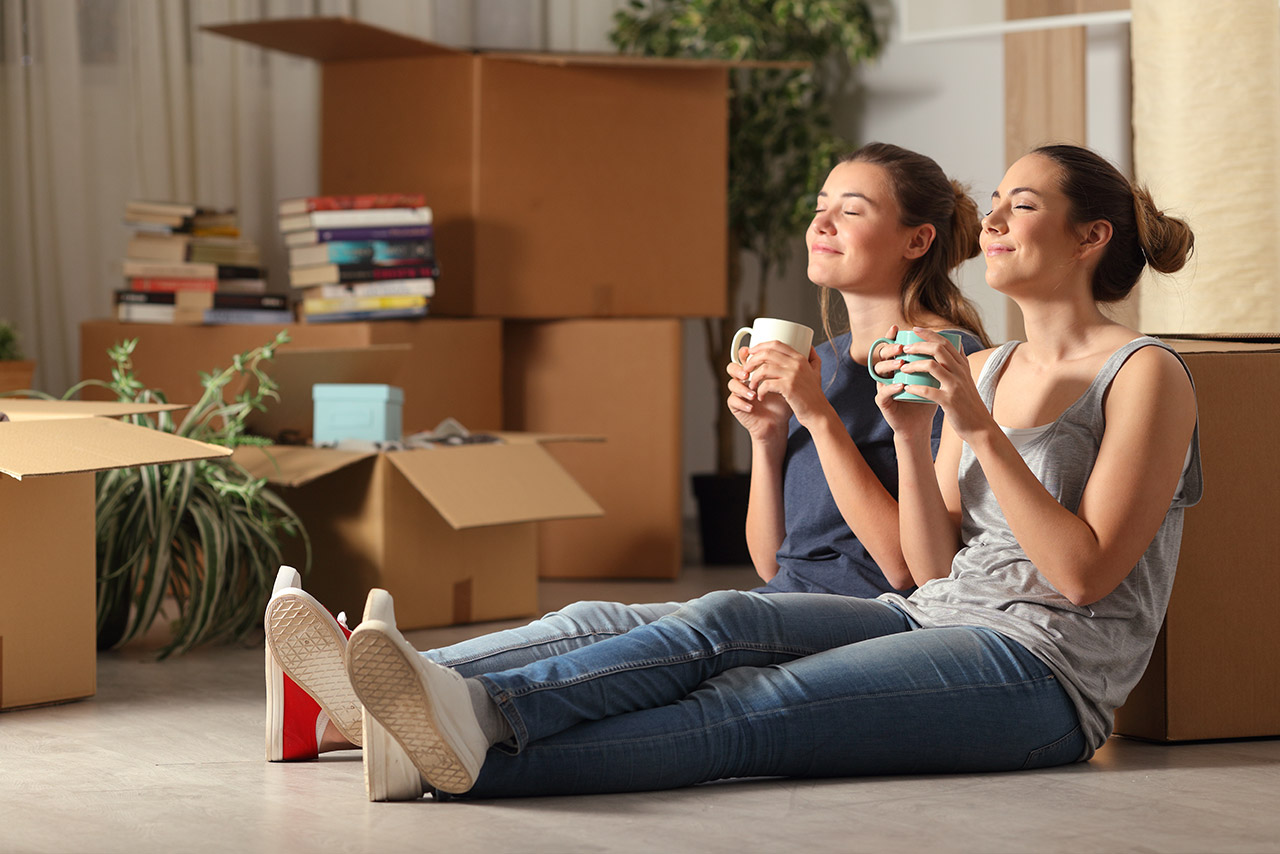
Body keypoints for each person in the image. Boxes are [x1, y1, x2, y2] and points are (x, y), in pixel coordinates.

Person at [340, 142, 1202, 800]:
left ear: (1091, 237)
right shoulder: (985, 369)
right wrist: (912, 431)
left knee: (751, 711)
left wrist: (974, 432)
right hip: (929, 616)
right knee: (718, 619)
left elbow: (1085, 576)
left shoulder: (1145, 374)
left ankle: (466, 755)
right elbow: (933, 569)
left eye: (1023, 206)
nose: (997, 223)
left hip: (1043, 674)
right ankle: (461, 703)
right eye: (999, 207)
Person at [263, 143, 990, 773]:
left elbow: (909, 571)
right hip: (784, 600)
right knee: (594, 618)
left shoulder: (945, 361)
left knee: (689, 624)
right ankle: (356, 688)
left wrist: (815, 417)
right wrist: (767, 443)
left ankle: (386, 697)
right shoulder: (822, 362)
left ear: (916, 240)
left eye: (852, 210)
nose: (821, 223)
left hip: (870, 620)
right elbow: (777, 563)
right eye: (821, 204)